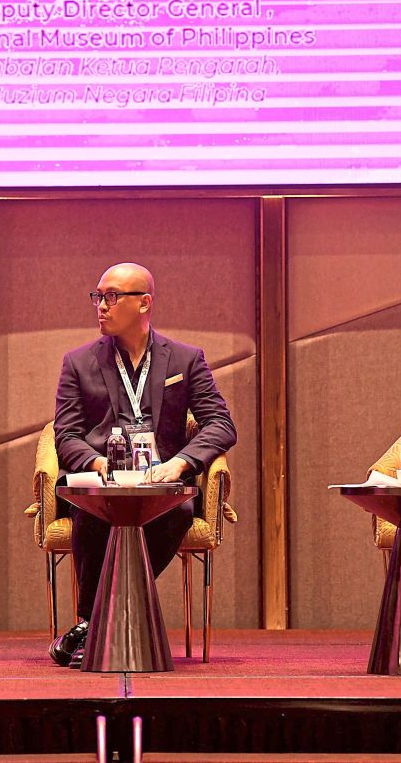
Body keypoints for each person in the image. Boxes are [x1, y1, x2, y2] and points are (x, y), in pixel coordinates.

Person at [49, 262, 236, 668]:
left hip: (159, 486)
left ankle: (93, 623)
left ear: (144, 303)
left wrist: (183, 462)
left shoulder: (185, 360)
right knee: (93, 509)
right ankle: (98, 619)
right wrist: (97, 461)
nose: (101, 305)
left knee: (181, 509)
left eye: (112, 297)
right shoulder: (78, 363)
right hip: (101, 484)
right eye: (97, 296)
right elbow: (65, 435)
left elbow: (221, 423)